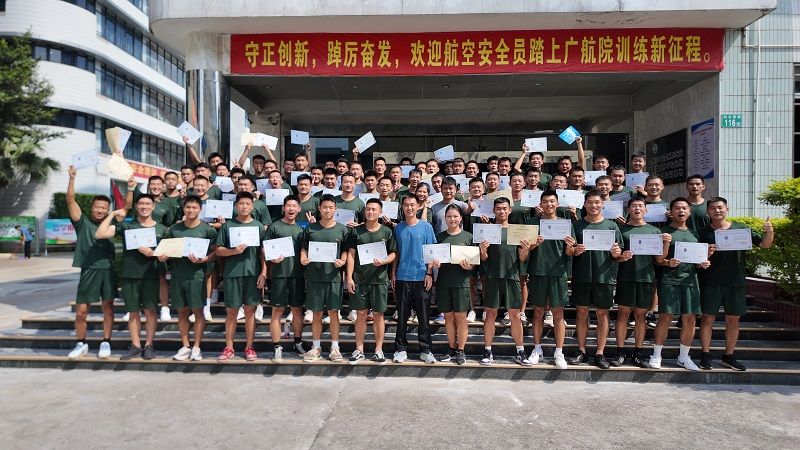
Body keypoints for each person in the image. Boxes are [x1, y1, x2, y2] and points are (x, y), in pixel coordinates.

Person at [697, 197, 774, 371]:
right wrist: (706, 255)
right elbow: (696, 260)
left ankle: (729, 356)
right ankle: (705, 355)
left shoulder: (741, 229)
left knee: (733, 320)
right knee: (707, 319)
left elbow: (764, 244)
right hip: (710, 281)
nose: (717, 210)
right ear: (708, 212)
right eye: (713, 208)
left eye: (720, 207)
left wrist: (769, 231)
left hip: (735, 281)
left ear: (727, 209)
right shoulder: (702, 233)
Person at [96, 193, 168, 360]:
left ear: (153, 207)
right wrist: (112, 214)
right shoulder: (127, 227)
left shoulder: (162, 229)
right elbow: (100, 233)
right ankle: (135, 345)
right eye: (141, 203)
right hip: (130, 275)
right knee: (133, 312)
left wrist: (155, 254)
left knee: (150, 311)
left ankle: (149, 345)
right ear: (136, 206)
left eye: (148, 204)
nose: (144, 207)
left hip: (151, 275)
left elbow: (167, 255)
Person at [66, 166, 128, 360]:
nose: (100, 210)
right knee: (81, 312)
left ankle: (106, 342)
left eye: (104, 207)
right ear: (92, 208)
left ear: (108, 209)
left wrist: (130, 188)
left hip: (108, 270)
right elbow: (70, 200)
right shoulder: (82, 222)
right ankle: (81, 343)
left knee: (108, 308)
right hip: (88, 270)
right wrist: (72, 179)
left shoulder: (112, 226)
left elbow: (127, 207)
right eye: (97, 207)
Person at [649, 197, 712, 371]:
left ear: (689, 212)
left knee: (690, 319)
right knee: (665, 317)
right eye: (677, 208)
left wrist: (703, 263)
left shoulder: (694, 234)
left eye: (684, 208)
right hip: (669, 280)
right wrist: (668, 261)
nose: (681, 211)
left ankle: (683, 357)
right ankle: (656, 354)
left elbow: (697, 261)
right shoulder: (663, 232)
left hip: (690, 280)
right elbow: (658, 259)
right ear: (671, 212)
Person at [612, 198, 670, 368]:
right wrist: (621, 256)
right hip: (626, 277)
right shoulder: (621, 230)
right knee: (622, 314)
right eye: (633, 206)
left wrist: (666, 243)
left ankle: (638, 352)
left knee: (640, 316)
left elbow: (659, 259)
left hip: (646, 277)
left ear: (646, 210)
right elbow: (615, 257)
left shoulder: (654, 231)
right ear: (628, 209)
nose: (637, 208)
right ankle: (620, 352)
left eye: (640, 206)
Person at [570, 190, 624, 369]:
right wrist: (575, 251)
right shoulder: (577, 225)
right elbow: (569, 251)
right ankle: (581, 350)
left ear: (602, 204)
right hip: (582, 275)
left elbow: (618, 252)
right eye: (590, 202)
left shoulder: (612, 226)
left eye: (597, 202)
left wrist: (617, 252)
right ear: (584, 204)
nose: (594, 205)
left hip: (604, 276)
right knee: (582, 313)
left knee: (602, 314)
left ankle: (600, 352)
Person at [520, 190, 574, 369]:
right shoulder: (532, 223)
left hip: (558, 273)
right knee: (537, 312)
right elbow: (525, 251)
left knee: (558, 313)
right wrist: (533, 244)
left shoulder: (565, 224)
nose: (549, 204)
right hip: (538, 272)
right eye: (545, 201)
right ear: (540, 204)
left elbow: (570, 252)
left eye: (552, 201)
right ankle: (537, 349)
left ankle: (559, 352)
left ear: (557, 204)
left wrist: (570, 246)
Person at [214, 191, 267, 361]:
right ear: (236, 206)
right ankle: (229, 347)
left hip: (252, 273)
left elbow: (263, 253)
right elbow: (218, 250)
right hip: (233, 274)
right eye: (241, 203)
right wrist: (234, 251)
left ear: (252, 206)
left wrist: (264, 272)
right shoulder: (228, 226)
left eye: (247, 204)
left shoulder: (259, 226)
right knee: (232, 312)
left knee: (250, 312)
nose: (244, 206)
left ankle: (249, 347)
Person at [478, 197, 531, 366]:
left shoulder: (517, 231)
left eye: (504, 208)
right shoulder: (487, 231)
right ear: (493, 211)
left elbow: (522, 258)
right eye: (498, 208)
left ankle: (520, 351)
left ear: (510, 210)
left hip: (512, 277)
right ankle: (487, 350)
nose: (501, 211)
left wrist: (526, 250)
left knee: (515, 315)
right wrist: (482, 250)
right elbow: (483, 258)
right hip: (492, 277)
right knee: (490, 315)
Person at [299, 194, 351, 362]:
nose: (328, 210)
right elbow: (304, 248)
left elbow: (345, 250)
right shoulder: (311, 229)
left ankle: (335, 347)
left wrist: (342, 260)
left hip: (333, 277)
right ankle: (316, 346)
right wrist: (303, 257)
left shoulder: (342, 229)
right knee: (316, 313)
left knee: (334, 312)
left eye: (331, 207)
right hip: (315, 276)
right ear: (319, 208)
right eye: (324, 207)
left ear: (335, 209)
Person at [345, 198, 397, 364]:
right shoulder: (356, 232)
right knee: (360, 314)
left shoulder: (387, 232)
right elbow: (351, 255)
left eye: (374, 209)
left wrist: (384, 261)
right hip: (360, 279)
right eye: (368, 209)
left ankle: (378, 350)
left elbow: (393, 253)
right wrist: (349, 277)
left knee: (378, 315)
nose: (370, 212)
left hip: (379, 279)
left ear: (380, 212)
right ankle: (359, 349)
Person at [165, 196, 217, 361]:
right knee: (182, 312)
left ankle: (196, 347)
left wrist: (205, 259)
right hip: (178, 275)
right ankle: (185, 346)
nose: (191, 210)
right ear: (183, 209)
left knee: (198, 311)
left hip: (197, 276)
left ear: (200, 209)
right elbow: (167, 249)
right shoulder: (174, 229)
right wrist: (164, 255)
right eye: (188, 207)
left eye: (194, 207)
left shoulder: (207, 230)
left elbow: (216, 252)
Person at [391, 195, 437, 364]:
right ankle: (401, 349)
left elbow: (431, 251)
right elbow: (396, 253)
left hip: (421, 276)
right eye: (406, 205)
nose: (409, 208)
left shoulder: (426, 227)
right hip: (403, 276)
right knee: (402, 315)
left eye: (412, 205)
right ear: (402, 207)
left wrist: (429, 273)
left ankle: (425, 350)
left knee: (423, 316)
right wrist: (393, 274)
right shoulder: (398, 228)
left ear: (418, 206)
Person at [264, 195, 308, 360]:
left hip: (297, 275)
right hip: (279, 275)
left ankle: (298, 342)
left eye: (294, 206)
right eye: (288, 206)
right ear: (283, 208)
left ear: (299, 209)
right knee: (277, 311)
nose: (291, 209)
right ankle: (277, 346)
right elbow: (265, 249)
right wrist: (271, 258)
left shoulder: (302, 229)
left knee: (297, 310)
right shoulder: (274, 227)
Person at [432, 205, 474, 365]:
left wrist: (468, 266)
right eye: (449, 216)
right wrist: (435, 265)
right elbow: (433, 258)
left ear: (461, 218)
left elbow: (474, 263)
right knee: (448, 317)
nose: (452, 219)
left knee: (461, 318)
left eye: (455, 216)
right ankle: (451, 348)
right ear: (445, 218)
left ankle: (461, 350)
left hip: (461, 283)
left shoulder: (468, 237)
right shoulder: (439, 237)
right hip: (444, 282)